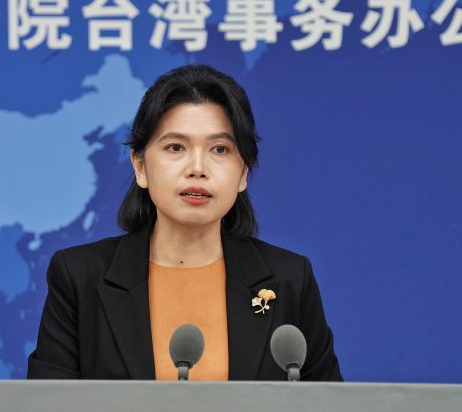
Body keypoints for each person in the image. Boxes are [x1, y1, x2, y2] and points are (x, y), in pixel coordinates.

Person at [27, 65, 342, 381]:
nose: (197, 168)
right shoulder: (79, 278)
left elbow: (330, 400)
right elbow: (47, 400)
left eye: (220, 149)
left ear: (243, 173)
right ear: (140, 166)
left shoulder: (290, 281)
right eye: (176, 147)